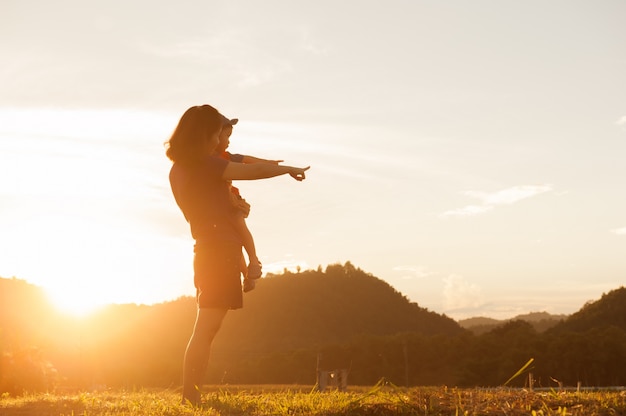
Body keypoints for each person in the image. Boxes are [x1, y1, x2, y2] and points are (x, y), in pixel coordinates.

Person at [165, 104, 309, 405]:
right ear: (205, 133)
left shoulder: (180, 169)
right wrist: (286, 169)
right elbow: (251, 170)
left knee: (206, 328)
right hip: (217, 252)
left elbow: (221, 215)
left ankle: (192, 395)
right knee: (205, 329)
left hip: (208, 249)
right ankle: (190, 398)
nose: (221, 138)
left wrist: (244, 264)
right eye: (218, 132)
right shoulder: (205, 166)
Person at [217, 116, 283, 292]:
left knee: (239, 225)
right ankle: (246, 274)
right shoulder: (207, 159)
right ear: (214, 136)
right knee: (234, 239)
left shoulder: (225, 156)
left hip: (231, 199)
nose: (229, 141)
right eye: (226, 136)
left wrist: (267, 163)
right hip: (220, 203)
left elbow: (247, 159)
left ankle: (253, 260)